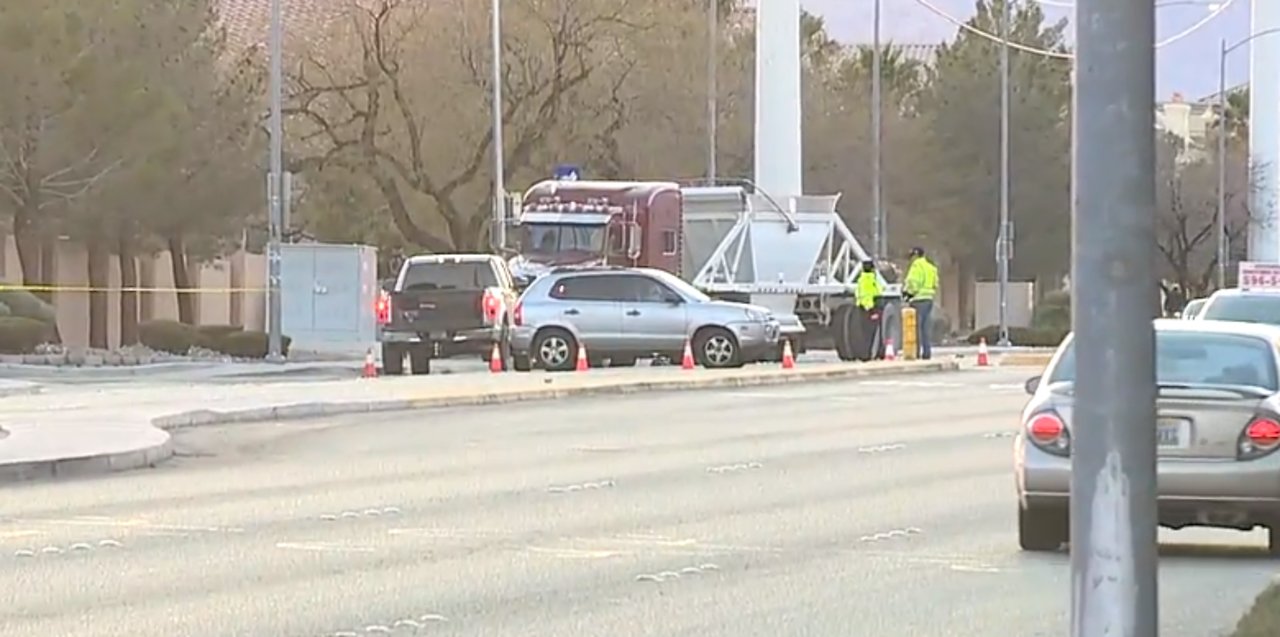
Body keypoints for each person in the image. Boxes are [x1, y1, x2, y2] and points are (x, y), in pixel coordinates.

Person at [903, 247, 939, 360]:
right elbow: (935, 284)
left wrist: (908, 293)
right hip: (929, 299)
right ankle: (927, 353)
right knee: (925, 328)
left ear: (915, 255)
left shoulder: (916, 266)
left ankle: (916, 353)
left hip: (918, 300)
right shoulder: (931, 267)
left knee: (915, 328)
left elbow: (913, 282)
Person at [855, 260, 884, 359]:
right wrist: (873, 309)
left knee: (864, 333)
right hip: (872, 309)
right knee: (872, 334)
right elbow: (878, 292)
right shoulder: (873, 280)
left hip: (862, 309)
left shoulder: (860, 280)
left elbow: (858, 294)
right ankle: (871, 354)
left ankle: (865, 354)